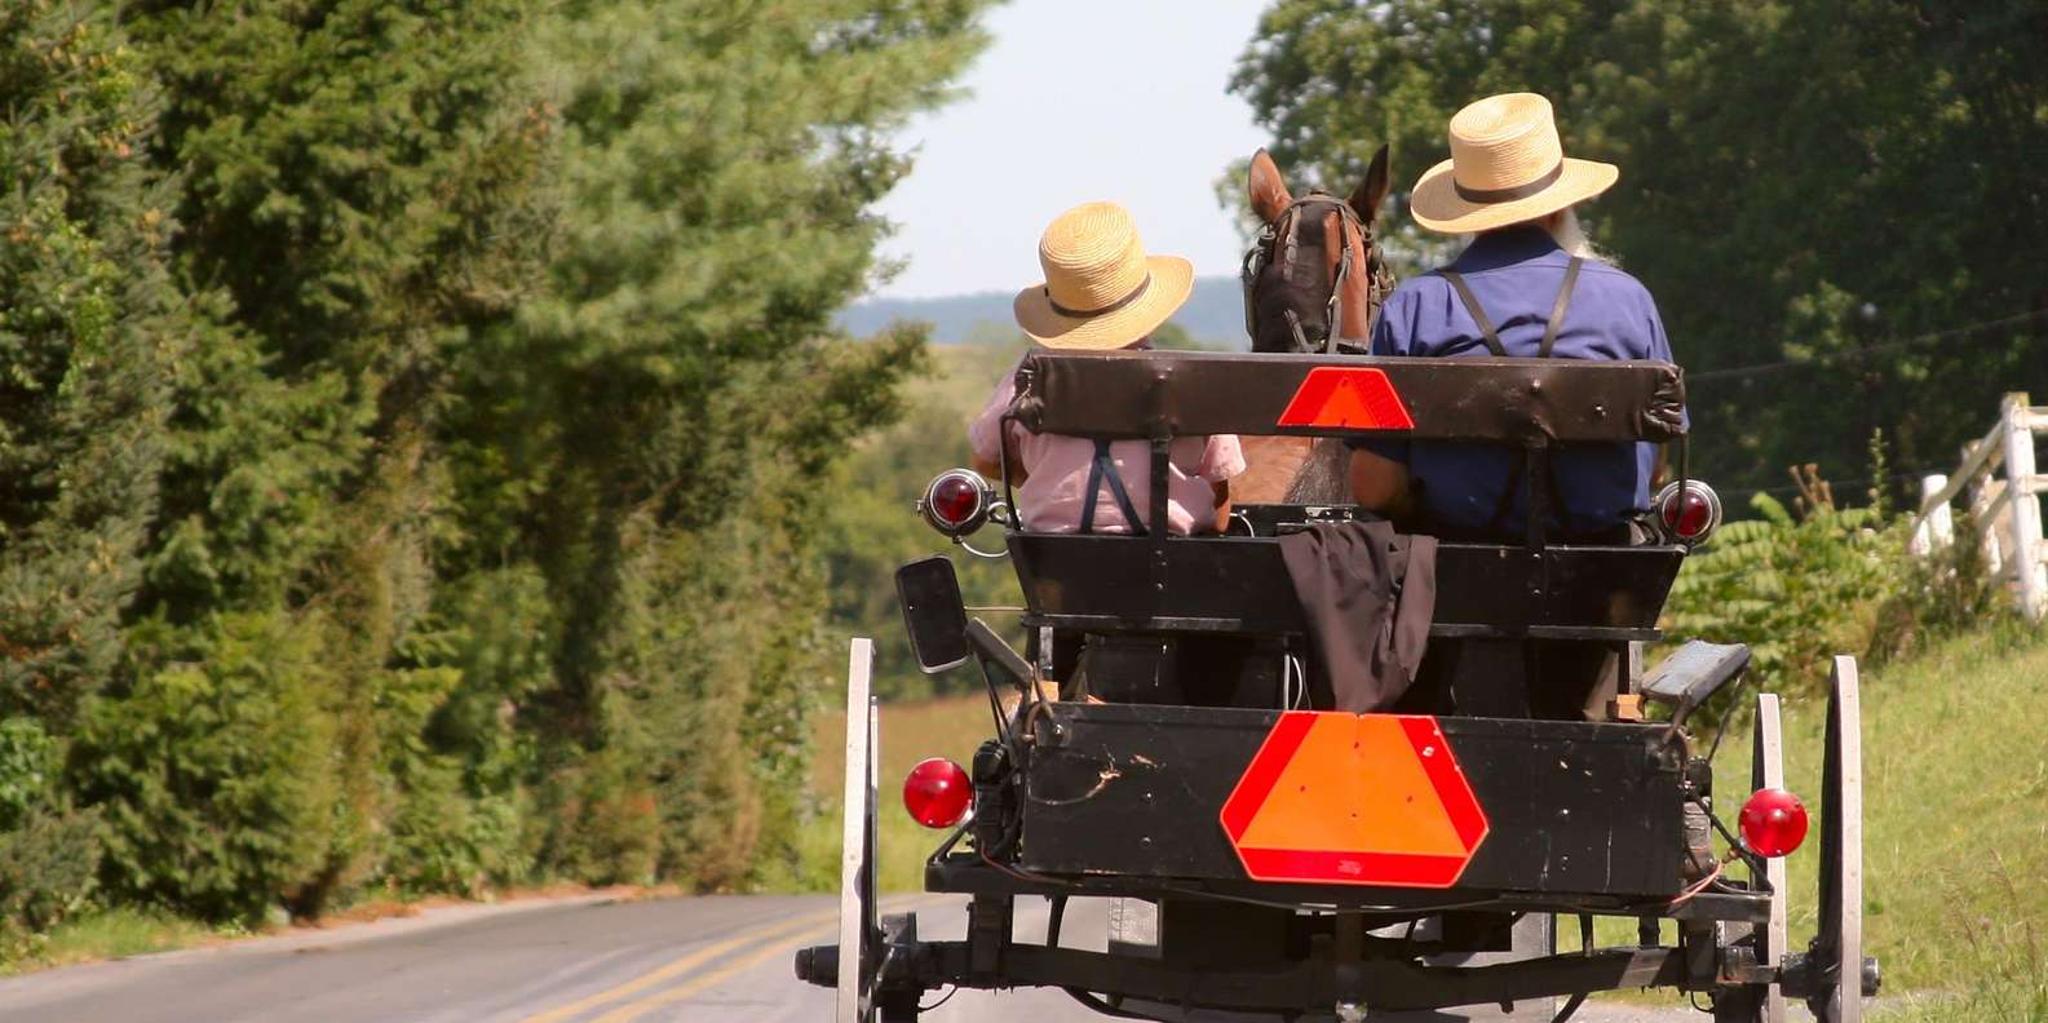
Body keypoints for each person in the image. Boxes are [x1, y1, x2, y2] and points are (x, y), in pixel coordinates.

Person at [1347, 92, 1677, 543]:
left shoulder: (1413, 308)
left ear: (1468, 215)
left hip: (1452, 567)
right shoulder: (1628, 299)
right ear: (1561, 206)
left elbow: (1374, 484)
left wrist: (1417, 508)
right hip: (1604, 565)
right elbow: (1657, 462)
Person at [970, 201, 1244, 536]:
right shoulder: (1191, 381)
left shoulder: (1029, 377)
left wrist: (1046, 479)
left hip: (1056, 564)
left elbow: (985, 459)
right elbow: (1220, 484)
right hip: (1176, 561)